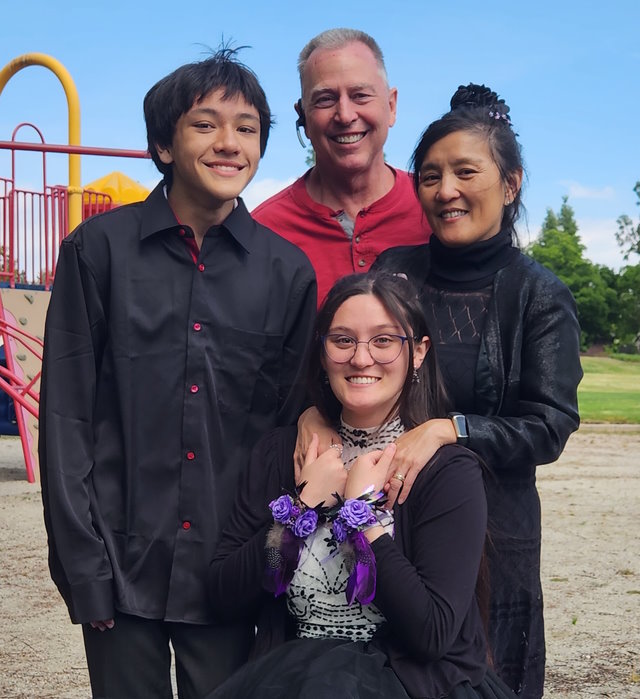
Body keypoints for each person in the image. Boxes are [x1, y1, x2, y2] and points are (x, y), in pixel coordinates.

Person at [38, 49, 316, 699]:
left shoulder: (287, 273)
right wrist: (84, 566)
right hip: (118, 562)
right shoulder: (96, 250)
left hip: (230, 570)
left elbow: (282, 430)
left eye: (247, 128)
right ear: (163, 143)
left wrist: (270, 562)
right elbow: (67, 417)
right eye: (205, 124)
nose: (229, 143)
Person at [205, 271, 517, 699]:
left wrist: (361, 517)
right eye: (343, 340)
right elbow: (224, 595)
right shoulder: (283, 453)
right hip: (292, 678)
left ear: (419, 351)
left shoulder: (448, 471)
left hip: (410, 684)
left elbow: (431, 634)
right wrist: (301, 508)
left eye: (384, 340)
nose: (361, 358)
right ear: (322, 352)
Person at [253, 28, 431, 305]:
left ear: (391, 106)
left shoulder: (436, 209)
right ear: (303, 117)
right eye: (325, 99)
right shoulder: (263, 233)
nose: (345, 115)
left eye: (360, 95)